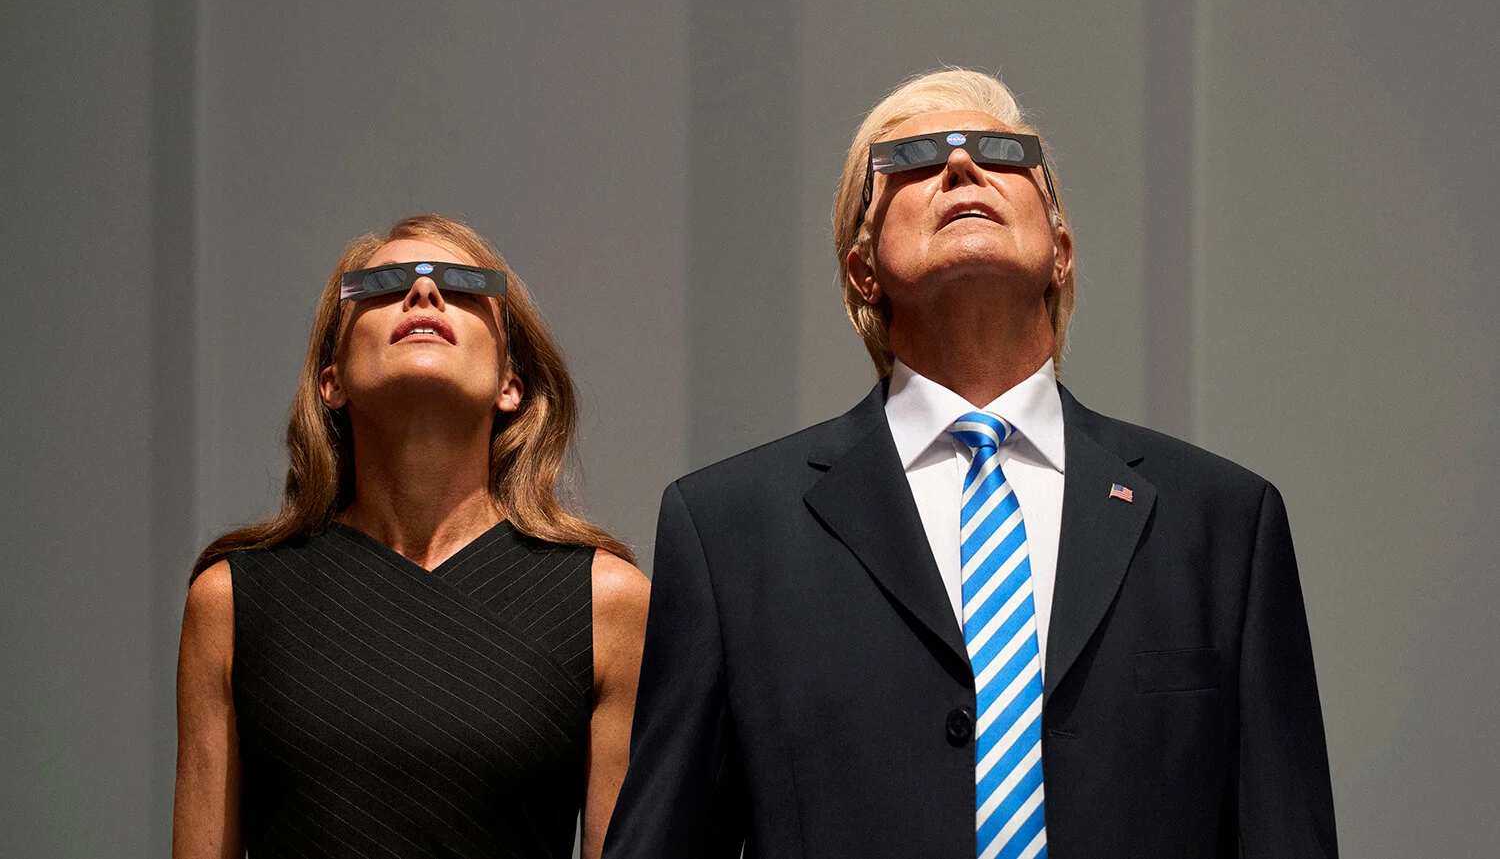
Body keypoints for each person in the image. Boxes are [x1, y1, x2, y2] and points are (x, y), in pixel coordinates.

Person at [603, 69, 1337, 859]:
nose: (961, 166)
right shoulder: (730, 533)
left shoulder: (1222, 524)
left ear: (1060, 251)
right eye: (915, 159)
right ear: (862, 270)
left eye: (1002, 152)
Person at [174, 214, 649, 859]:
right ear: (331, 379)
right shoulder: (231, 601)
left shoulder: (607, 603)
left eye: (462, 285)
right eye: (383, 285)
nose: (423, 293)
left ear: (511, 383)